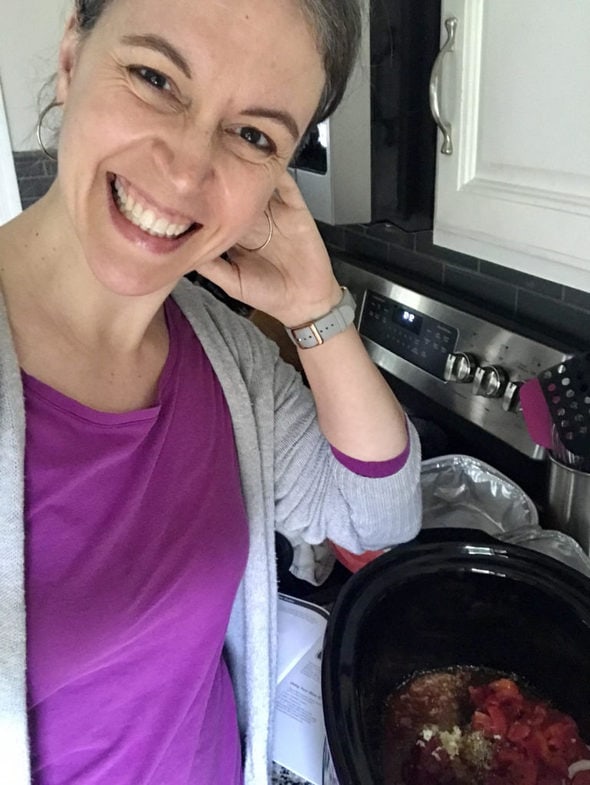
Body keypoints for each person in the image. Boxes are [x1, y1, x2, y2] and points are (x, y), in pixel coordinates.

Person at [0, 0, 422, 783]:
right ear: (70, 57)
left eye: (254, 135)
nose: (189, 169)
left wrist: (314, 311)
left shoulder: (225, 358)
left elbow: (380, 519)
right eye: (155, 77)